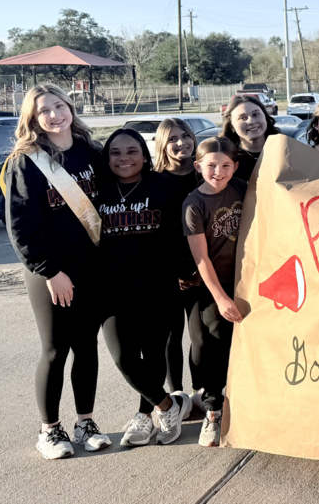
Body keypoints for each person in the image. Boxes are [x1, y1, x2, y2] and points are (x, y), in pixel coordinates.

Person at [5, 84, 111, 459]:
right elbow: (21, 225)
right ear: (32, 119)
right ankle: (50, 431)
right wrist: (51, 271)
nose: (53, 115)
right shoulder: (27, 161)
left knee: (86, 346)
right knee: (55, 349)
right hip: (50, 273)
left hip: (91, 268)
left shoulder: (91, 152)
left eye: (58, 105)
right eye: (43, 111)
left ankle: (86, 422)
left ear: (70, 106)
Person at [97, 129, 192, 447]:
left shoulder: (164, 186)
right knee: (124, 357)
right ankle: (167, 405)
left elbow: (183, 233)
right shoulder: (99, 191)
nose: (123, 158)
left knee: (153, 353)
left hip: (158, 285)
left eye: (131, 151)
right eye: (115, 152)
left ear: (144, 154)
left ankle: (143, 416)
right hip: (111, 288)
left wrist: (185, 269)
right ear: (107, 157)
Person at [183, 137, 247, 447]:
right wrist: (220, 297)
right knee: (215, 347)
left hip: (245, 282)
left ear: (235, 166)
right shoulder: (194, 204)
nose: (218, 172)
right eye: (211, 166)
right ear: (198, 167)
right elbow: (201, 258)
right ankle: (212, 413)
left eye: (225, 166)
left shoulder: (243, 189)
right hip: (213, 287)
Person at [152, 118, 206, 414]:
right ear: (162, 144)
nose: (180, 142)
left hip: (203, 270)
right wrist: (176, 272)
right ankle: (176, 395)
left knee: (200, 336)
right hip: (168, 274)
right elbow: (153, 234)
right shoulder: (154, 181)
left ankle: (200, 393)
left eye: (185, 135)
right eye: (172, 138)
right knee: (171, 337)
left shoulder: (206, 176)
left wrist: (200, 271)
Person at [220, 94, 279, 182]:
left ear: (265, 118)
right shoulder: (225, 160)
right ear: (232, 126)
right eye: (243, 118)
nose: (251, 121)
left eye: (256, 114)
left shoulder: (285, 151)